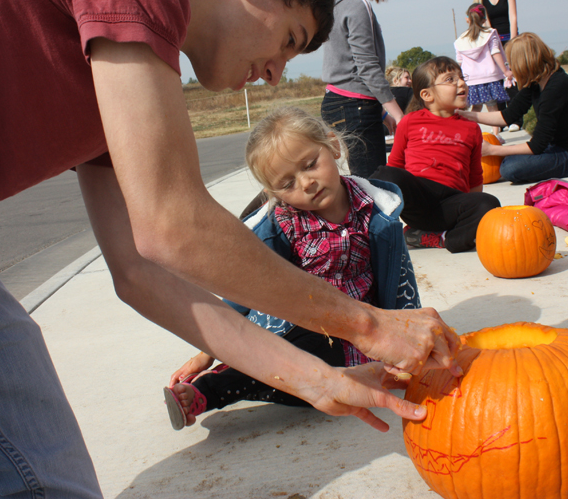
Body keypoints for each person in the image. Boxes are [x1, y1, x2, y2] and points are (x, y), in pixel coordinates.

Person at [0, 0, 461, 497]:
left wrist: (321, 378)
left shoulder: (116, 65)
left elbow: (139, 271)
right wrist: (367, 322)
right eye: (288, 39)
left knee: (54, 485)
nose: (276, 73)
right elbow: (173, 225)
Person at [165, 107, 423, 429]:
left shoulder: (376, 211)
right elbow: (243, 286)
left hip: (360, 333)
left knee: (337, 386)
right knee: (305, 360)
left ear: (333, 146)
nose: (307, 183)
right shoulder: (282, 226)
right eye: (288, 183)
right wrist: (209, 348)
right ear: (274, 193)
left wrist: (410, 335)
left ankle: (270, 377)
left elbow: (400, 279)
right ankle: (212, 387)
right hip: (298, 331)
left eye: (310, 164)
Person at [371, 57, 501, 252]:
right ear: (427, 95)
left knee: (489, 204)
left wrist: (474, 209)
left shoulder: (471, 129)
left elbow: (475, 177)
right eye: (450, 79)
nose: (461, 83)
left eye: (462, 77)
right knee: (385, 174)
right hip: (417, 199)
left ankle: (442, 239)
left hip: (451, 204)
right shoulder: (409, 121)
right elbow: (396, 165)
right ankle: (371, 232)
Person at [460, 33, 568, 185]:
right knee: (508, 161)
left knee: (510, 168)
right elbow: (507, 116)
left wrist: (492, 150)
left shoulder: (557, 87)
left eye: (510, 63)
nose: (510, 67)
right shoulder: (535, 83)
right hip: (555, 147)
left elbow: (537, 145)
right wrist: (465, 115)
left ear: (524, 63)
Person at [321, 0, 404, 178]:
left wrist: (382, 114)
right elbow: (366, 66)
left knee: (361, 179)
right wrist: (398, 114)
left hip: (335, 100)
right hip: (355, 105)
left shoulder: (332, 1)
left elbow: (344, 62)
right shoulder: (357, 4)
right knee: (372, 183)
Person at [454, 4, 514, 137]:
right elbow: (496, 52)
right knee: (493, 108)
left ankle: (473, 136)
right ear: (484, 19)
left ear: (467, 19)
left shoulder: (460, 40)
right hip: (489, 77)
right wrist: (506, 71)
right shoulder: (490, 33)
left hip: (471, 79)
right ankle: (496, 136)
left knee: (475, 109)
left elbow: (459, 62)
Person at [475, 0, 521, 128]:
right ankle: (501, 120)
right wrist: (495, 46)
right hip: (494, 41)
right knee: (498, 80)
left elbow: (513, 18)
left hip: (511, 38)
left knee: (512, 78)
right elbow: (487, 25)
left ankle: (515, 120)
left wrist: (512, 43)